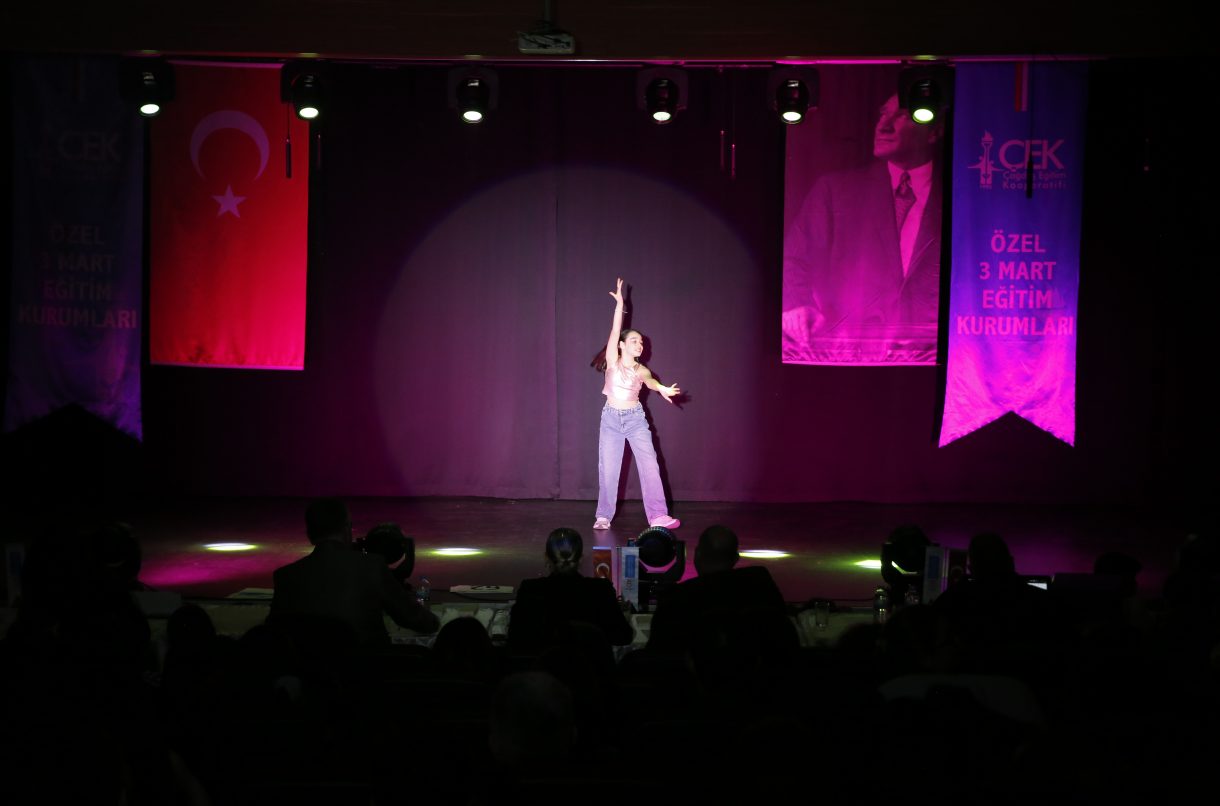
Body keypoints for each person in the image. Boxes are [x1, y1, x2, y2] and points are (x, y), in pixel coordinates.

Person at [782, 93, 944, 363]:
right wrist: (797, 304)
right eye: (883, 114)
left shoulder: (960, 198)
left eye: (902, 115)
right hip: (849, 357)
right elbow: (794, 258)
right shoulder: (835, 192)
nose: (884, 126)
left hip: (933, 358)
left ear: (934, 131)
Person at [268, 498, 439, 649]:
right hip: (364, 668)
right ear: (346, 530)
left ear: (309, 535)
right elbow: (413, 618)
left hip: (309, 671)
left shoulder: (285, 576)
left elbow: (274, 629)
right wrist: (435, 622)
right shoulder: (372, 566)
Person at [593, 278, 680, 530]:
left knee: (650, 465)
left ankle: (658, 515)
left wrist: (661, 387)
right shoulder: (613, 360)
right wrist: (620, 306)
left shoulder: (641, 369)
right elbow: (615, 330)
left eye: (641, 342)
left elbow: (650, 381)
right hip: (611, 419)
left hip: (635, 420)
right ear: (621, 345)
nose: (639, 345)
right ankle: (603, 515)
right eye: (634, 341)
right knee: (609, 469)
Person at [646, 525, 789, 654]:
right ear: (736, 559)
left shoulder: (676, 600)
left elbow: (658, 654)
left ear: (697, 554)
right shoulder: (761, 587)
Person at [508, 527, 634, 652]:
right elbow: (623, 637)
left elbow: (515, 639)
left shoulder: (529, 590)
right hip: (591, 664)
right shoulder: (601, 590)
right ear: (580, 559)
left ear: (546, 557)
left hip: (545, 664)